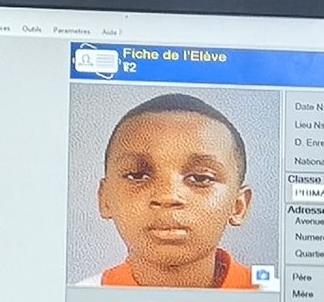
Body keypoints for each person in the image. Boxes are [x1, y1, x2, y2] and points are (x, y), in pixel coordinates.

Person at [85, 93, 258, 289]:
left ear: (238, 206)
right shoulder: (83, 296)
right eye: (137, 175)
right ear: (105, 199)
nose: (167, 196)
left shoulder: (272, 295)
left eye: (201, 178)